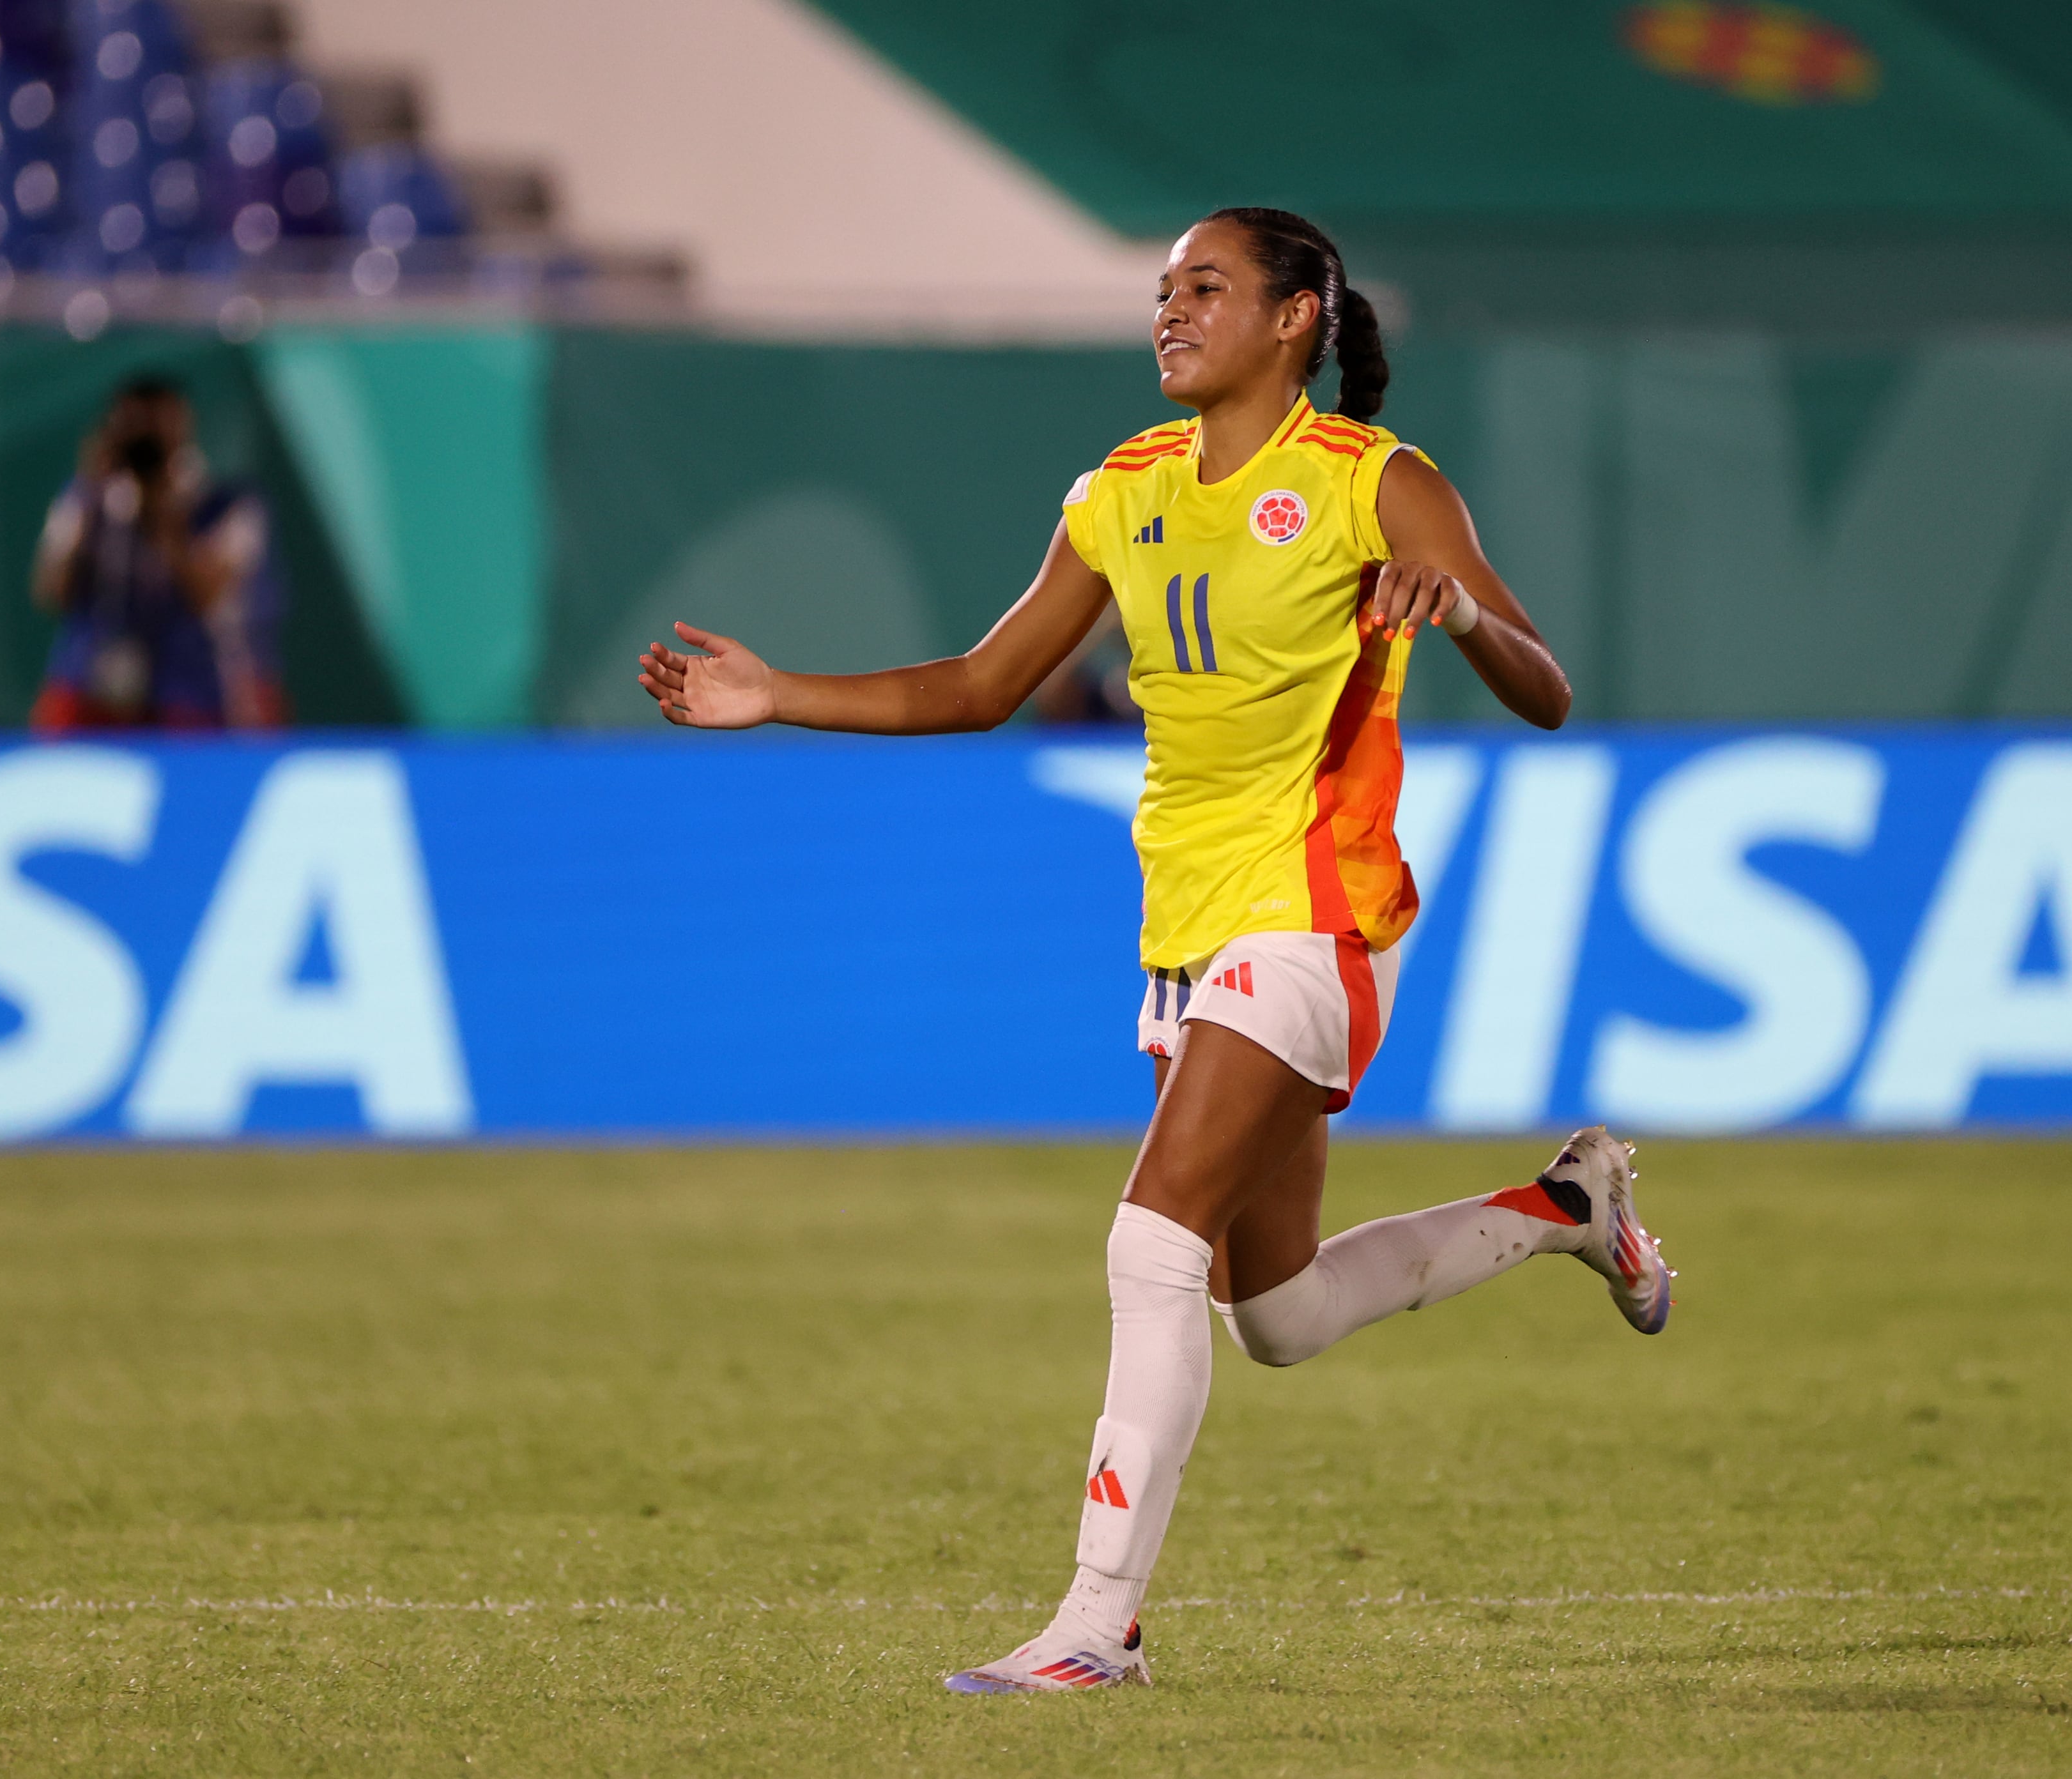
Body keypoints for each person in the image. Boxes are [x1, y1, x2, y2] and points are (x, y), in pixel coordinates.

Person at [635, 207, 1673, 1695]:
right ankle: (1569, 1204)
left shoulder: (1375, 482)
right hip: (1187, 935)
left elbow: (1546, 686)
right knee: (1277, 1313)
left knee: (1150, 1238)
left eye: (1207, 286)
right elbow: (981, 682)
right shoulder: (1121, 487)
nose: (1170, 310)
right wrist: (777, 692)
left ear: (1294, 317)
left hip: (1312, 916)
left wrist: (1454, 613)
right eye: (1163, 288)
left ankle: (1095, 1621)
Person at [30, 376, 286, 732]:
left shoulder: (227, 504)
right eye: (133, 427)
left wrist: (163, 514)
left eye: (156, 427)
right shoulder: (86, 499)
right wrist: (91, 489)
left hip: (195, 689)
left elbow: (208, 597)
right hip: (96, 681)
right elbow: (51, 592)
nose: (145, 440)